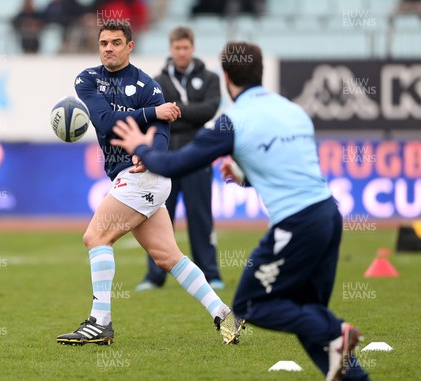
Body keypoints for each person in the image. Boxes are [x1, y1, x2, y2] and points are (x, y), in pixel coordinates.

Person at [111, 42, 371, 381]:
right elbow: (293, 168)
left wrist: (140, 146)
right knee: (306, 312)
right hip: (329, 215)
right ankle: (354, 374)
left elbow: (173, 164)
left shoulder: (232, 122)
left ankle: (337, 330)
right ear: (260, 71)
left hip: (298, 224)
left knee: (250, 305)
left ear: (227, 77)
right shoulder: (292, 109)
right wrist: (247, 177)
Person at [55, 20, 244, 346]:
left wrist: (152, 152)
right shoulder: (87, 80)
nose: (108, 49)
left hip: (143, 175)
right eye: (103, 43)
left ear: (130, 46)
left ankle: (100, 321)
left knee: (95, 236)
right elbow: (104, 120)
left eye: (116, 42)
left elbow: (163, 132)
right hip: (135, 177)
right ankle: (224, 315)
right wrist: (153, 113)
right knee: (168, 256)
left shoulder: (147, 85)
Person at [136, 26, 223, 292]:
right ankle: (154, 276)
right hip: (166, 154)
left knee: (201, 216)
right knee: (159, 215)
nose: (182, 52)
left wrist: (174, 111)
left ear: (192, 48)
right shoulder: (157, 81)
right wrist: (181, 113)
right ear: (171, 49)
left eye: (186, 47)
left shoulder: (209, 78)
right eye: (177, 48)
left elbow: (208, 110)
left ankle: (210, 273)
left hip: (198, 153)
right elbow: (151, 113)